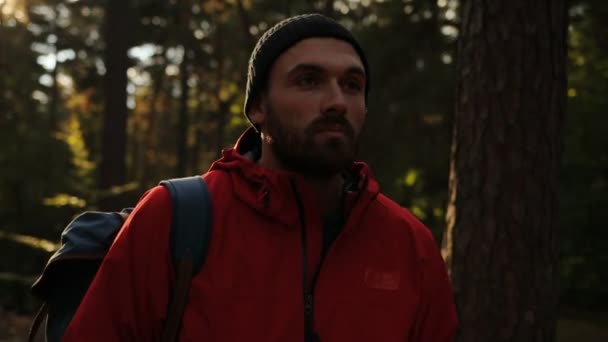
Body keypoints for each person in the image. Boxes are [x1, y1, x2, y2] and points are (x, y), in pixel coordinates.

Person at [64, 13, 458, 341]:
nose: (337, 101)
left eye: (352, 85)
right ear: (257, 108)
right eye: (309, 80)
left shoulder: (411, 247)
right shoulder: (173, 220)